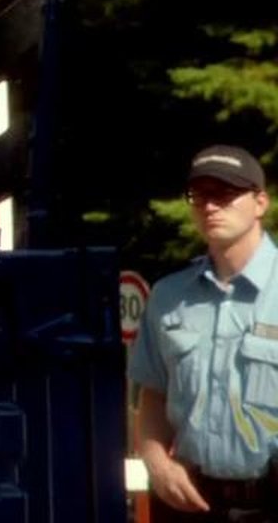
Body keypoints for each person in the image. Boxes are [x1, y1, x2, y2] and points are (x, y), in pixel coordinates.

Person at [131, 145, 278, 521]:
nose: (210, 206)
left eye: (225, 193)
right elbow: (153, 398)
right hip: (190, 503)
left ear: (260, 203)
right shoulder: (169, 298)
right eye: (199, 195)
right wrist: (157, 464)